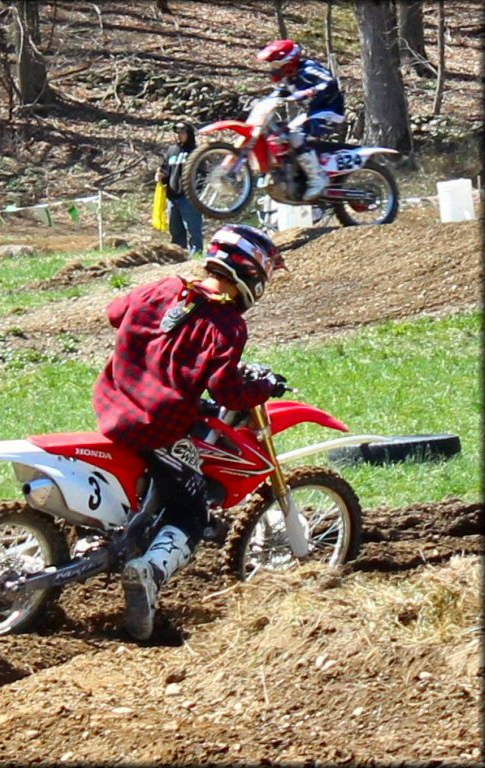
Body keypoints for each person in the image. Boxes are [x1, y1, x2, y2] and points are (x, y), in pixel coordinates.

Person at [92, 224, 287, 641]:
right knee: (192, 509)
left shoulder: (161, 288)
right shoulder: (227, 323)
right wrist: (264, 387)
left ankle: (121, 527)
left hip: (112, 404)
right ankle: (150, 571)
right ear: (251, 277)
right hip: (156, 425)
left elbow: (113, 312)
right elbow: (226, 391)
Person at [257, 39, 345, 201]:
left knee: (297, 135)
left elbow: (330, 82)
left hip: (330, 112)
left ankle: (318, 179)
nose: (273, 70)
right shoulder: (290, 80)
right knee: (280, 135)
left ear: (288, 62)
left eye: (275, 65)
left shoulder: (309, 69)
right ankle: (294, 177)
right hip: (312, 114)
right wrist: (260, 104)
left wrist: (307, 92)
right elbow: (277, 94)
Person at [156, 121, 204, 256]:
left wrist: (197, 191)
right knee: (175, 229)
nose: (179, 136)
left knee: (193, 229)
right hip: (172, 196)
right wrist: (160, 176)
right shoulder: (171, 151)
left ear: (189, 134)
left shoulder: (195, 151)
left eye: (182, 132)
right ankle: (178, 255)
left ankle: (196, 254)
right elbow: (165, 170)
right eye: (177, 133)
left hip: (189, 197)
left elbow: (203, 173)